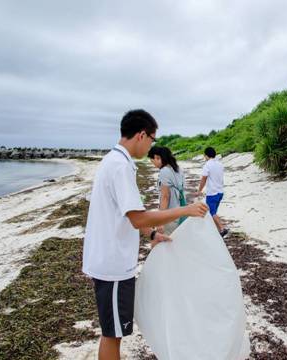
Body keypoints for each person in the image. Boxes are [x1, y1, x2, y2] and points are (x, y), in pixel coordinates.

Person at [82, 109, 208, 360]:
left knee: (112, 331)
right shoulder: (120, 166)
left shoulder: (114, 161)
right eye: (152, 138)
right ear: (141, 135)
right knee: (113, 334)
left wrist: (151, 235)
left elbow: (129, 215)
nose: (152, 145)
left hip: (109, 260)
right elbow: (137, 216)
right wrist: (186, 210)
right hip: (113, 264)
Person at [147, 145, 186, 236]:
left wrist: (160, 221)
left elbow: (165, 197)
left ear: (157, 157)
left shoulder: (164, 171)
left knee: (166, 245)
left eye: (152, 161)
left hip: (170, 215)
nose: (153, 164)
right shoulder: (178, 169)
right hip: (180, 211)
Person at [196, 147, 228, 237]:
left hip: (212, 193)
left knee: (211, 212)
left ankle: (222, 229)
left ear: (206, 155)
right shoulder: (220, 164)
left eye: (204, 155)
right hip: (220, 192)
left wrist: (199, 190)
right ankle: (217, 230)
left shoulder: (207, 165)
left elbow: (204, 179)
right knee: (214, 212)